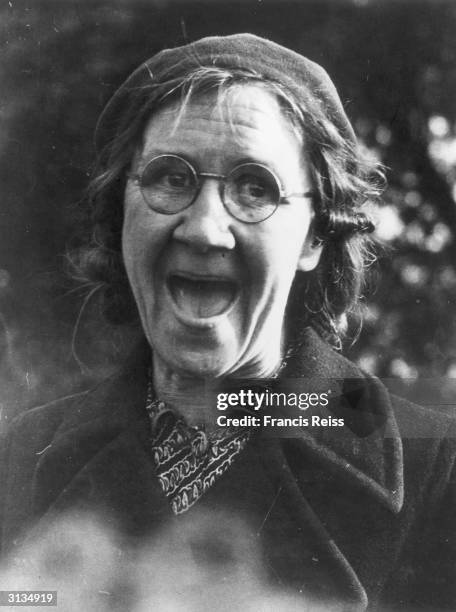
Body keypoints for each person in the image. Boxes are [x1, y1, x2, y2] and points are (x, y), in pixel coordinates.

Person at [0, 33, 455, 611]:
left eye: (254, 188)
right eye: (170, 177)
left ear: (315, 235)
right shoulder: (20, 458)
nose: (205, 229)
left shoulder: (435, 474)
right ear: (121, 211)